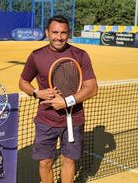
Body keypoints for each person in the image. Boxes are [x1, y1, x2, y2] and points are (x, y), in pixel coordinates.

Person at [19, 15, 98, 183]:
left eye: (63, 33)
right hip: (46, 120)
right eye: (55, 32)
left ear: (68, 33)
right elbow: (23, 82)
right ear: (47, 32)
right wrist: (36, 93)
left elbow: (92, 88)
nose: (59, 37)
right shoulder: (36, 56)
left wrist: (66, 101)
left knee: (69, 160)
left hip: (73, 119)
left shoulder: (81, 55)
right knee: (45, 162)